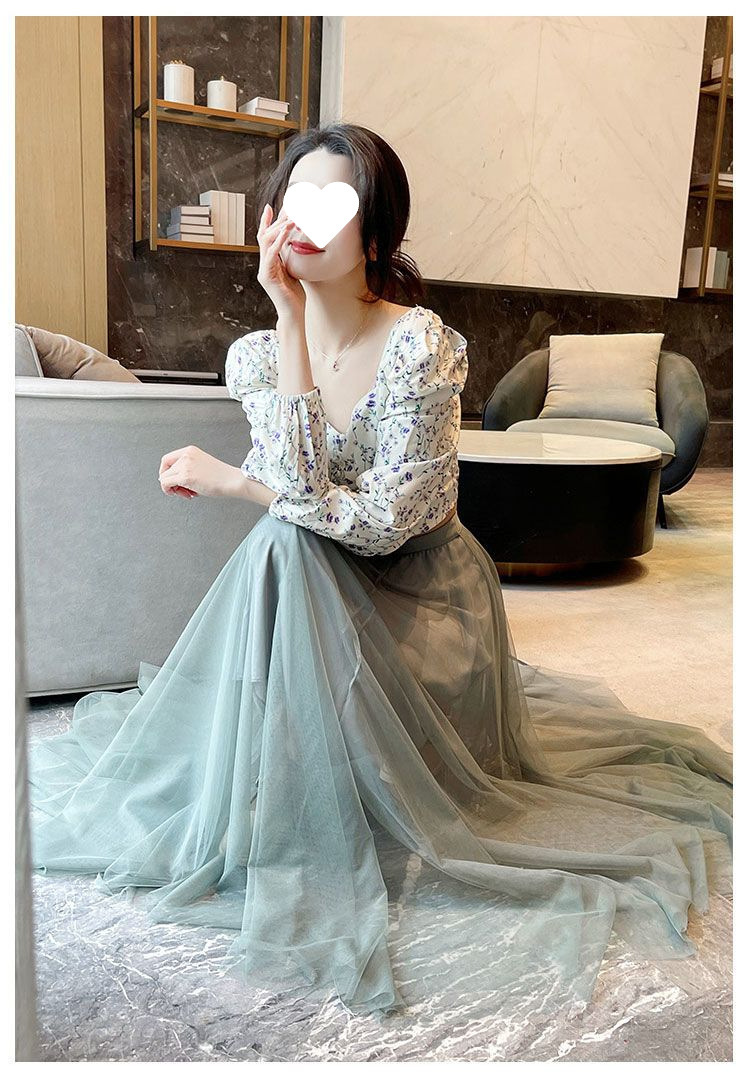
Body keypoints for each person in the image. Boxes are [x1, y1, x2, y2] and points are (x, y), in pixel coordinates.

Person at [26, 123, 732, 1020]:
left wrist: (237, 482)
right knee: (285, 540)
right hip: (319, 585)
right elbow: (300, 493)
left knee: (284, 534)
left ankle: (294, 778)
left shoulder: (419, 345)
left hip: (423, 597)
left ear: (375, 234)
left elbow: (386, 524)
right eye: (293, 200)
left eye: (335, 203)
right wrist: (288, 323)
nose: (304, 222)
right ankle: (290, 774)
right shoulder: (258, 355)